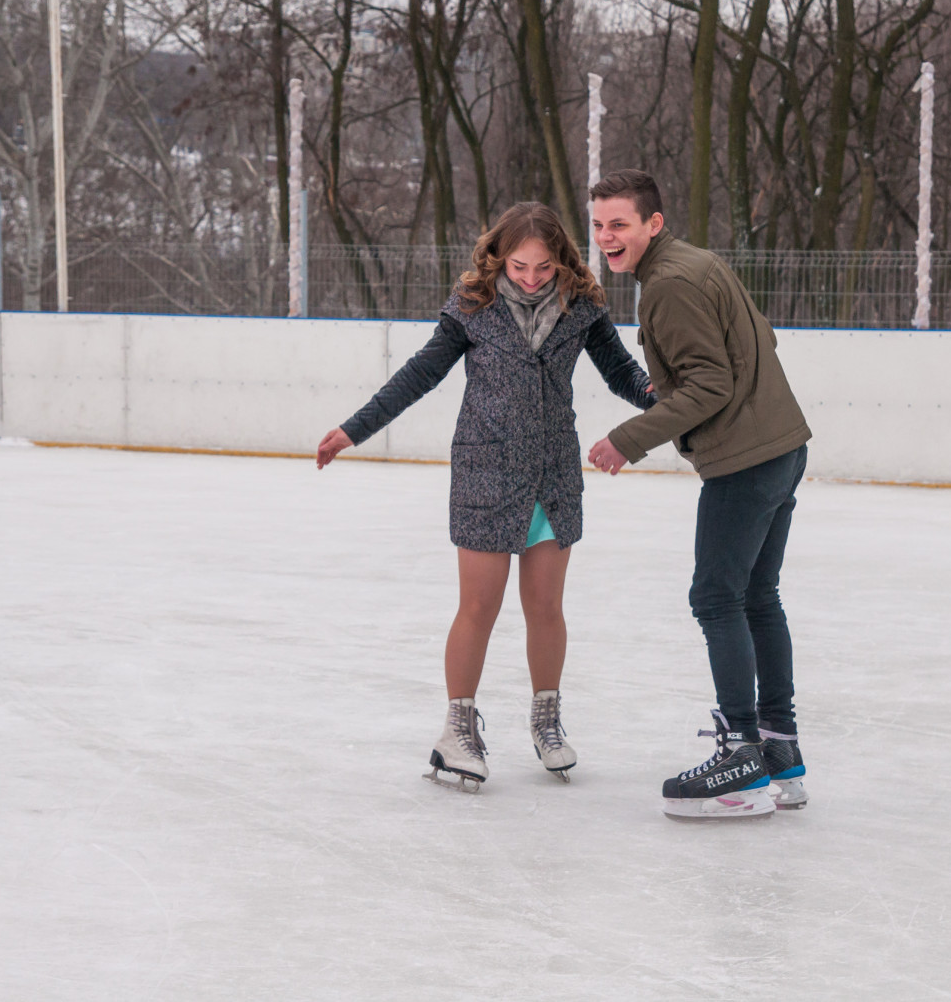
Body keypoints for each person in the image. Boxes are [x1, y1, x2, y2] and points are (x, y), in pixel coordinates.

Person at [317, 202, 656, 793]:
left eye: (544, 268)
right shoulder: (472, 309)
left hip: (552, 474)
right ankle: (457, 729)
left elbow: (622, 373)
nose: (531, 278)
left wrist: (668, 399)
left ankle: (546, 720)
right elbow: (419, 374)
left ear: (561, 261)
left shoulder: (583, 308)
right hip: (485, 472)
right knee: (479, 607)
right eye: (520, 266)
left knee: (545, 607)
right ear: (499, 257)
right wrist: (354, 429)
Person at [585, 169, 813, 821]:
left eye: (620, 223)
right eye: (600, 225)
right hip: (782, 445)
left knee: (716, 597)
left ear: (653, 223)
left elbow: (710, 384)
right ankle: (779, 750)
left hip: (744, 460)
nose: (608, 236)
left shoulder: (667, 284)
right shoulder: (697, 263)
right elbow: (756, 337)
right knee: (755, 595)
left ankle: (740, 757)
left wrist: (628, 438)